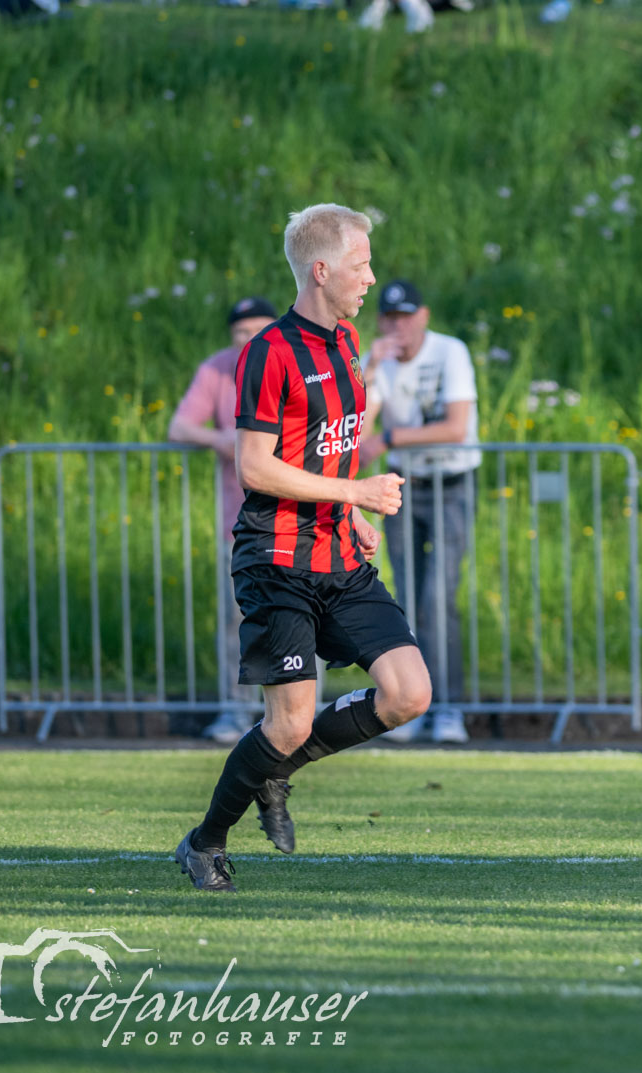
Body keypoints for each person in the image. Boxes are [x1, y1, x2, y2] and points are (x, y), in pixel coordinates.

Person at [174, 203, 432, 893]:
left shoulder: (346, 341)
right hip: (277, 561)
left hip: (339, 555)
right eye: (360, 265)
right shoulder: (269, 352)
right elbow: (255, 466)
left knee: (409, 693)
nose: (371, 278)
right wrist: (354, 493)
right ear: (321, 271)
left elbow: (327, 444)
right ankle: (205, 842)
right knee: (285, 724)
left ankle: (277, 769)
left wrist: (348, 511)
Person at [362, 278, 479, 746]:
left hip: (451, 483)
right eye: (390, 318)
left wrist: (391, 438)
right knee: (407, 599)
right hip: (403, 486)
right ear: (380, 322)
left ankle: (448, 707)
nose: (399, 326)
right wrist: (371, 369)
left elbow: (456, 427)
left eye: (406, 316)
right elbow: (359, 431)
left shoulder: (450, 352)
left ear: (424, 317)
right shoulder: (378, 363)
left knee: (438, 598)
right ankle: (410, 706)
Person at [169, 295, 279, 745]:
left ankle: (299, 715)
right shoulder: (217, 370)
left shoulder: (294, 365)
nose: (250, 339)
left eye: (259, 330)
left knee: (300, 619)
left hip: (299, 518)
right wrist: (229, 442)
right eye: (241, 332)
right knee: (239, 618)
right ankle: (237, 711)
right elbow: (179, 427)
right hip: (240, 522)